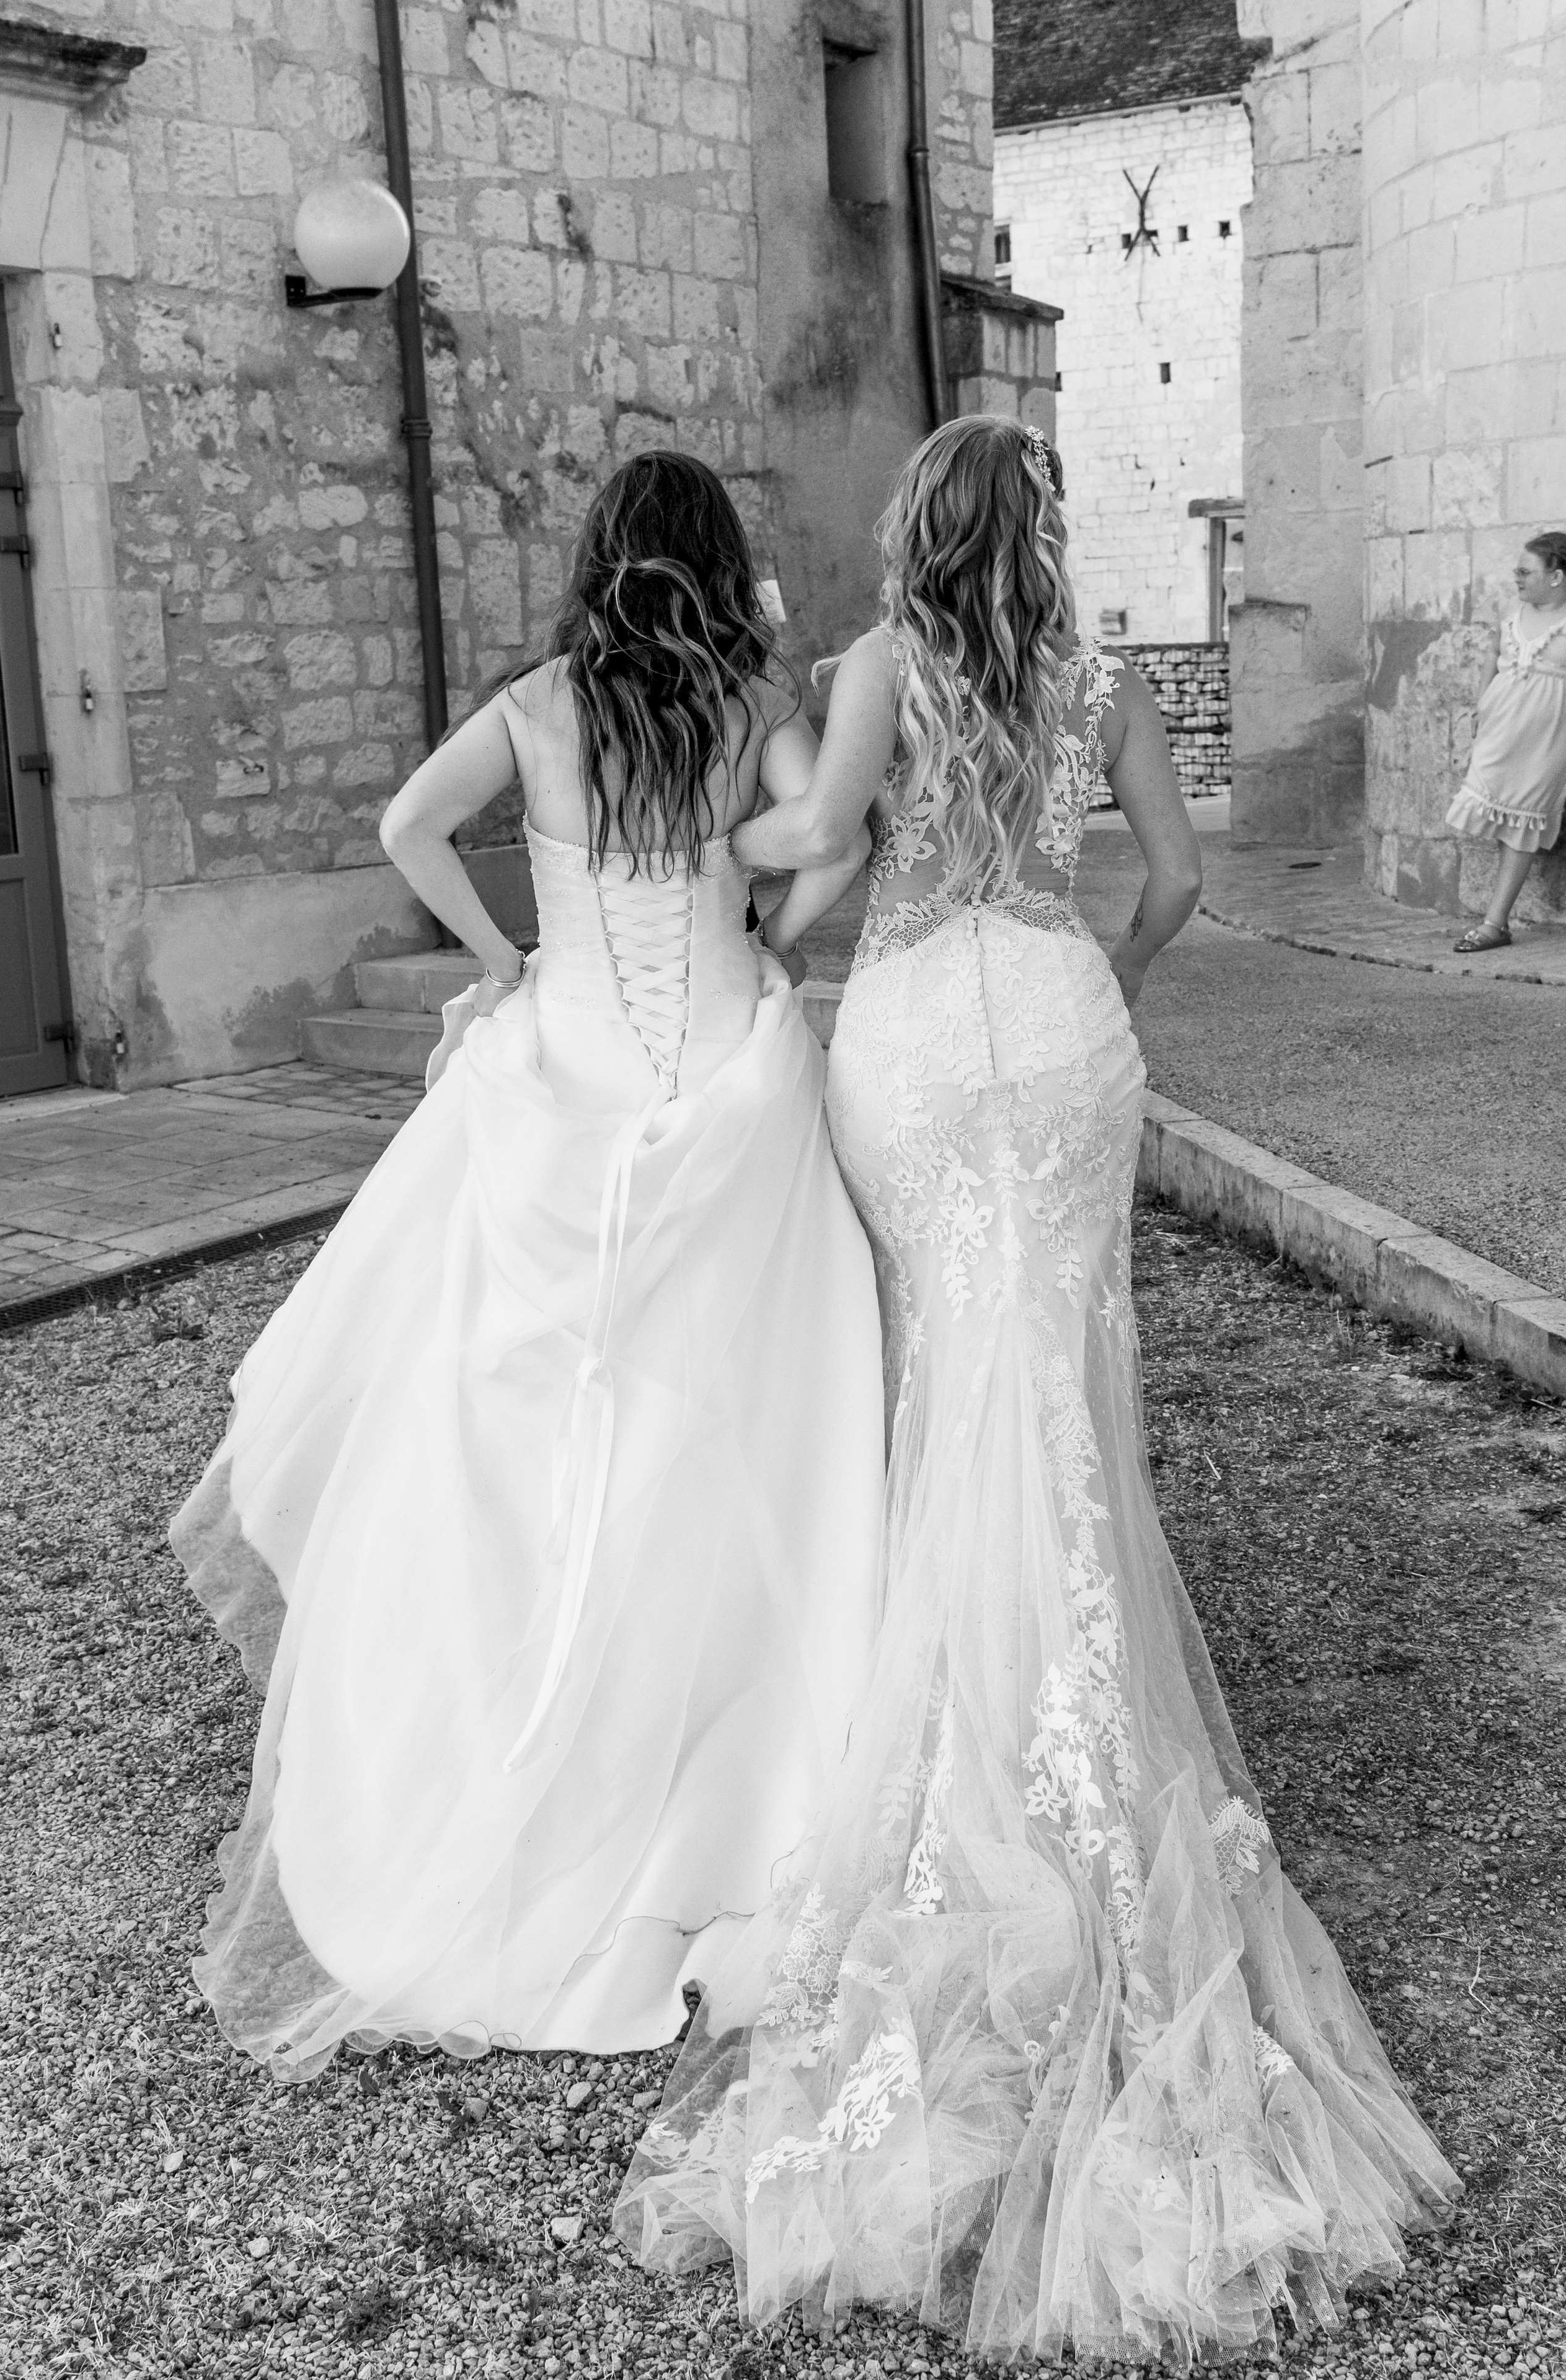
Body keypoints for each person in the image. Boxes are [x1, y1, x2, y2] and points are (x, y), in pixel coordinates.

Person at [616, 420, 1457, 2367]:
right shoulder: (1102, 681)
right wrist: (1116, 979)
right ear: (1047, 535)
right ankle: (1076, 1731)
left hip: (916, 1038)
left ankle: (967, 1728)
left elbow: (821, 845)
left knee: (949, 1371)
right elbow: (1174, 877)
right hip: (1064, 1031)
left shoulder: (875, 669)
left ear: (922, 527)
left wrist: (699, 861)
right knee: (1058, 1393)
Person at [170, 452, 885, 2080]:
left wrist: (503, 958)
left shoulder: (541, 705)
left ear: (598, 556)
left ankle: (505, 1750)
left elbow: (406, 826)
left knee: (511, 1415)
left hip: (566, 1063)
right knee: (743, 1405)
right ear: (716, 560)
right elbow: (833, 841)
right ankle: (724, 1745)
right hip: (724, 1069)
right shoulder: (751, 698)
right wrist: (767, 937)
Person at [1446, 529, 1566, 953]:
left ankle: (1494, 925)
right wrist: (1482, 708)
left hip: (1546, 743)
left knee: (1521, 825)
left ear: (1556, 576)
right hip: (1499, 735)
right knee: (1497, 814)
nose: (1517, 578)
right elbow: (1491, 659)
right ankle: (1496, 921)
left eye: (1525, 571)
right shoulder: (1512, 610)